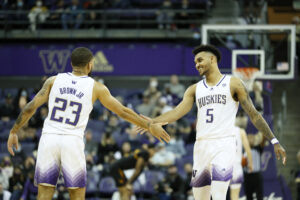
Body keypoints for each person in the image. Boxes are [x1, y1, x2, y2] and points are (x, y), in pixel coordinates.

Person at [7, 47, 170, 200]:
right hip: (72, 140)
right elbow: (122, 111)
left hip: (49, 138)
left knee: (44, 194)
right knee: (77, 195)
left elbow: (30, 107)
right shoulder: (96, 87)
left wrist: (14, 130)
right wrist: (149, 126)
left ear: (71, 64)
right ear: (90, 65)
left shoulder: (53, 80)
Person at [135, 44, 286, 200]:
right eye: (195, 62)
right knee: (200, 197)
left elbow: (254, 115)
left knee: (219, 195)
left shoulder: (233, 83)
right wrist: (153, 121)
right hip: (201, 146)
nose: (197, 64)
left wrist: (274, 140)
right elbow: (176, 112)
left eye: (200, 60)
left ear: (212, 59)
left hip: (223, 144)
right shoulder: (194, 89)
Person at [229, 125, 253, 200]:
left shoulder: (220, 129)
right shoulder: (240, 131)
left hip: (222, 166)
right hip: (236, 167)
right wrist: (251, 164)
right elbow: (248, 149)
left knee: (219, 196)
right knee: (235, 196)